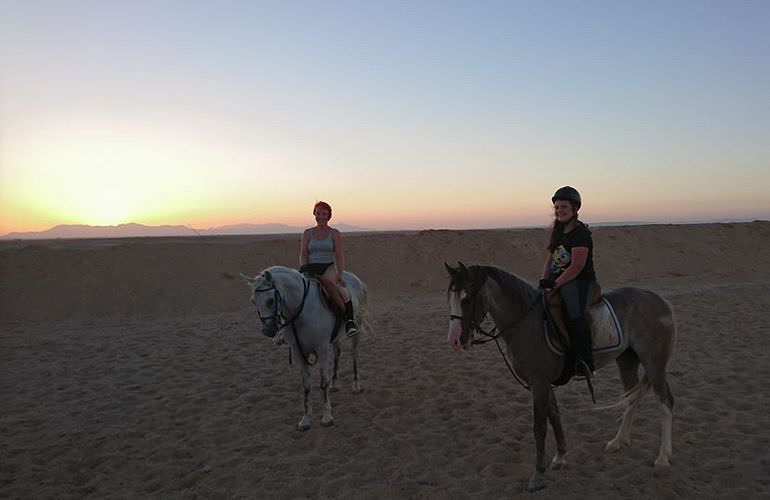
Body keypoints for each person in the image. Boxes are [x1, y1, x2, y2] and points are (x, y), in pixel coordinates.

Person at [539, 186, 597, 377]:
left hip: (580, 282)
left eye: (564, 206)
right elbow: (550, 258)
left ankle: (585, 361)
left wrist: (555, 284)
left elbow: (576, 267)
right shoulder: (558, 231)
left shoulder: (581, 233)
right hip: (559, 280)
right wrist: (544, 280)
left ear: (574, 209)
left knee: (574, 314)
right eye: (556, 207)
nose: (559, 210)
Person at [299, 201, 359, 337]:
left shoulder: (334, 233)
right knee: (294, 291)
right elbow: (303, 253)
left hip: (327, 268)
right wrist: (304, 267)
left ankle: (349, 322)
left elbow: (339, 254)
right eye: (318, 213)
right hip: (310, 268)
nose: (321, 216)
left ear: (329, 216)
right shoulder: (307, 233)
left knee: (343, 292)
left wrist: (339, 274)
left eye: (324, 214)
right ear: (314, 214)